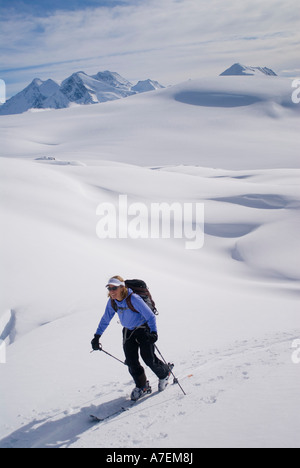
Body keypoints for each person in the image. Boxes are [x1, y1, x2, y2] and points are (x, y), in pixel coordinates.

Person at [91, 276, 171, 401]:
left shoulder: (133, 298)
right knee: (131, 361)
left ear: (122, 287)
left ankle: (164, 374)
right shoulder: (112, 301)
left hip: (143, 330)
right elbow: (106, 319)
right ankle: (142, 386)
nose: (111, 291)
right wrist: (97, 336)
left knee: (148, 358)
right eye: (109, 288)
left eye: (114, 288)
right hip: (128, 332)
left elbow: (150, 316)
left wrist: (154, 333)